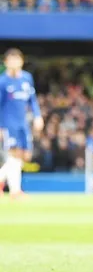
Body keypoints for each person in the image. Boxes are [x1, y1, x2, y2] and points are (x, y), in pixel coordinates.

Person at [0, 49, 43, 199]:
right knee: (13, 154)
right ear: (5, 63)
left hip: (23, 123)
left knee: (24, 156)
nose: (14, 62)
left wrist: (38, 116)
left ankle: (5, 183)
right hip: (8, 123)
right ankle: (15, 191)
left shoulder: (26, 78)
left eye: (16, 59)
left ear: (22, 61)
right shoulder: (2, 81)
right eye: (10, 60)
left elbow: (32, 100)